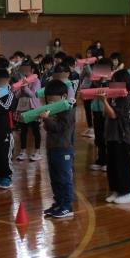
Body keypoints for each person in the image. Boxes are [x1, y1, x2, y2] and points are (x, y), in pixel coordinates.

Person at [41, 79, 76, 218]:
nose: (51, 104)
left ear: (64, 97)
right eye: (48, 101)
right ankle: (59, 203)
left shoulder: (68, 111)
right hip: (52, 148)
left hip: (63, 149)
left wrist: (47, 119)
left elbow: (59, 128)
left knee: (64, 178)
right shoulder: (54, 111)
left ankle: (67, 206)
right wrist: (46, 120)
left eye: (54, 101)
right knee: (54, 178)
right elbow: (48, 128)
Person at [99, 69, 130, 204]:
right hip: (111, 135)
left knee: (122, 166)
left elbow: (114, 115)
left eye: (115, 81)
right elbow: (106, 113)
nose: (112, 83)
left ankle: (126, 192)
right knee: (112, 166)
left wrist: (104, 100)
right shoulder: (114, 97)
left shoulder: (126, 98)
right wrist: (107, 99)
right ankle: (116, 190)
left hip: (121, 136)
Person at [15, 60, 42, 162]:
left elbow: (33, 95)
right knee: (23, 130)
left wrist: (25, 87)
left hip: (33, 108)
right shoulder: (22, 80)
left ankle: (37, 152)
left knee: (35, 130)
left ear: (32, 69)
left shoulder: (36, 81)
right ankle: (23, 151)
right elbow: (17, 96)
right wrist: (20, 88)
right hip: (23, 107)